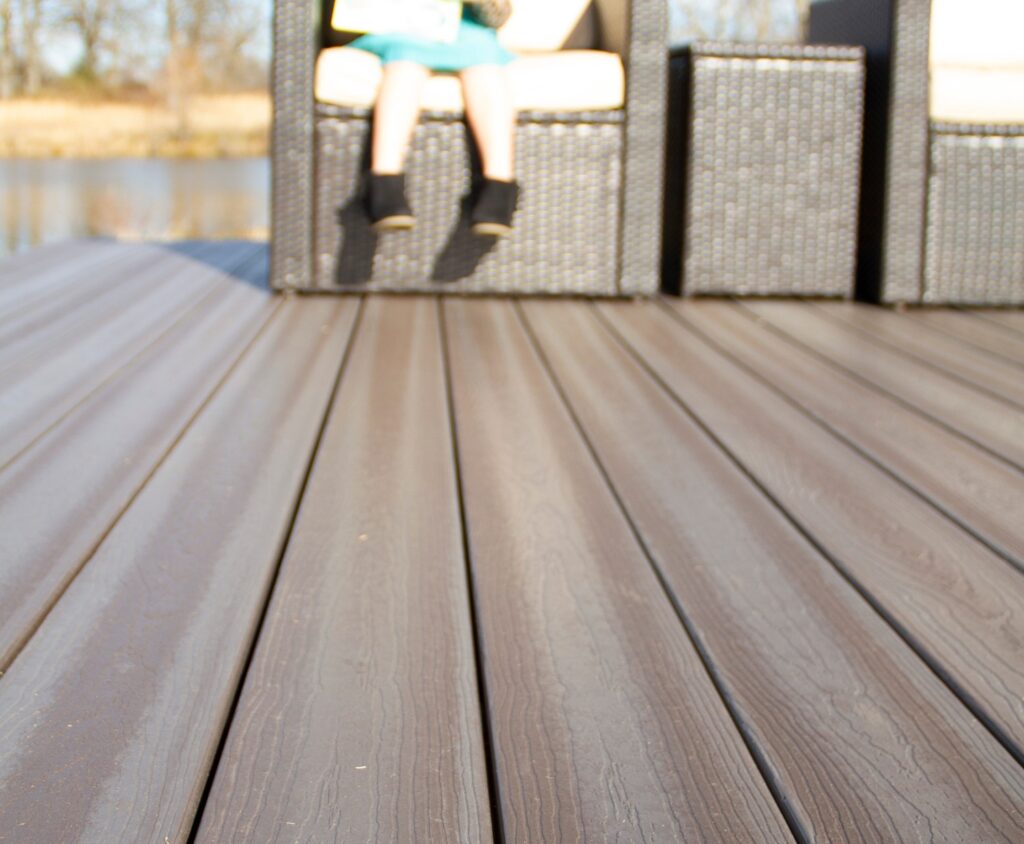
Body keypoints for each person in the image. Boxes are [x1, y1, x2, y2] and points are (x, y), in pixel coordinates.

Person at [351, 0, 519, 236]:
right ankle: (384, 180)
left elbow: (498, 15)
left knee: (486, 67)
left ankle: (499, 185)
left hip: (466, 31)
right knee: (405, 64)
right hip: (400, 26)